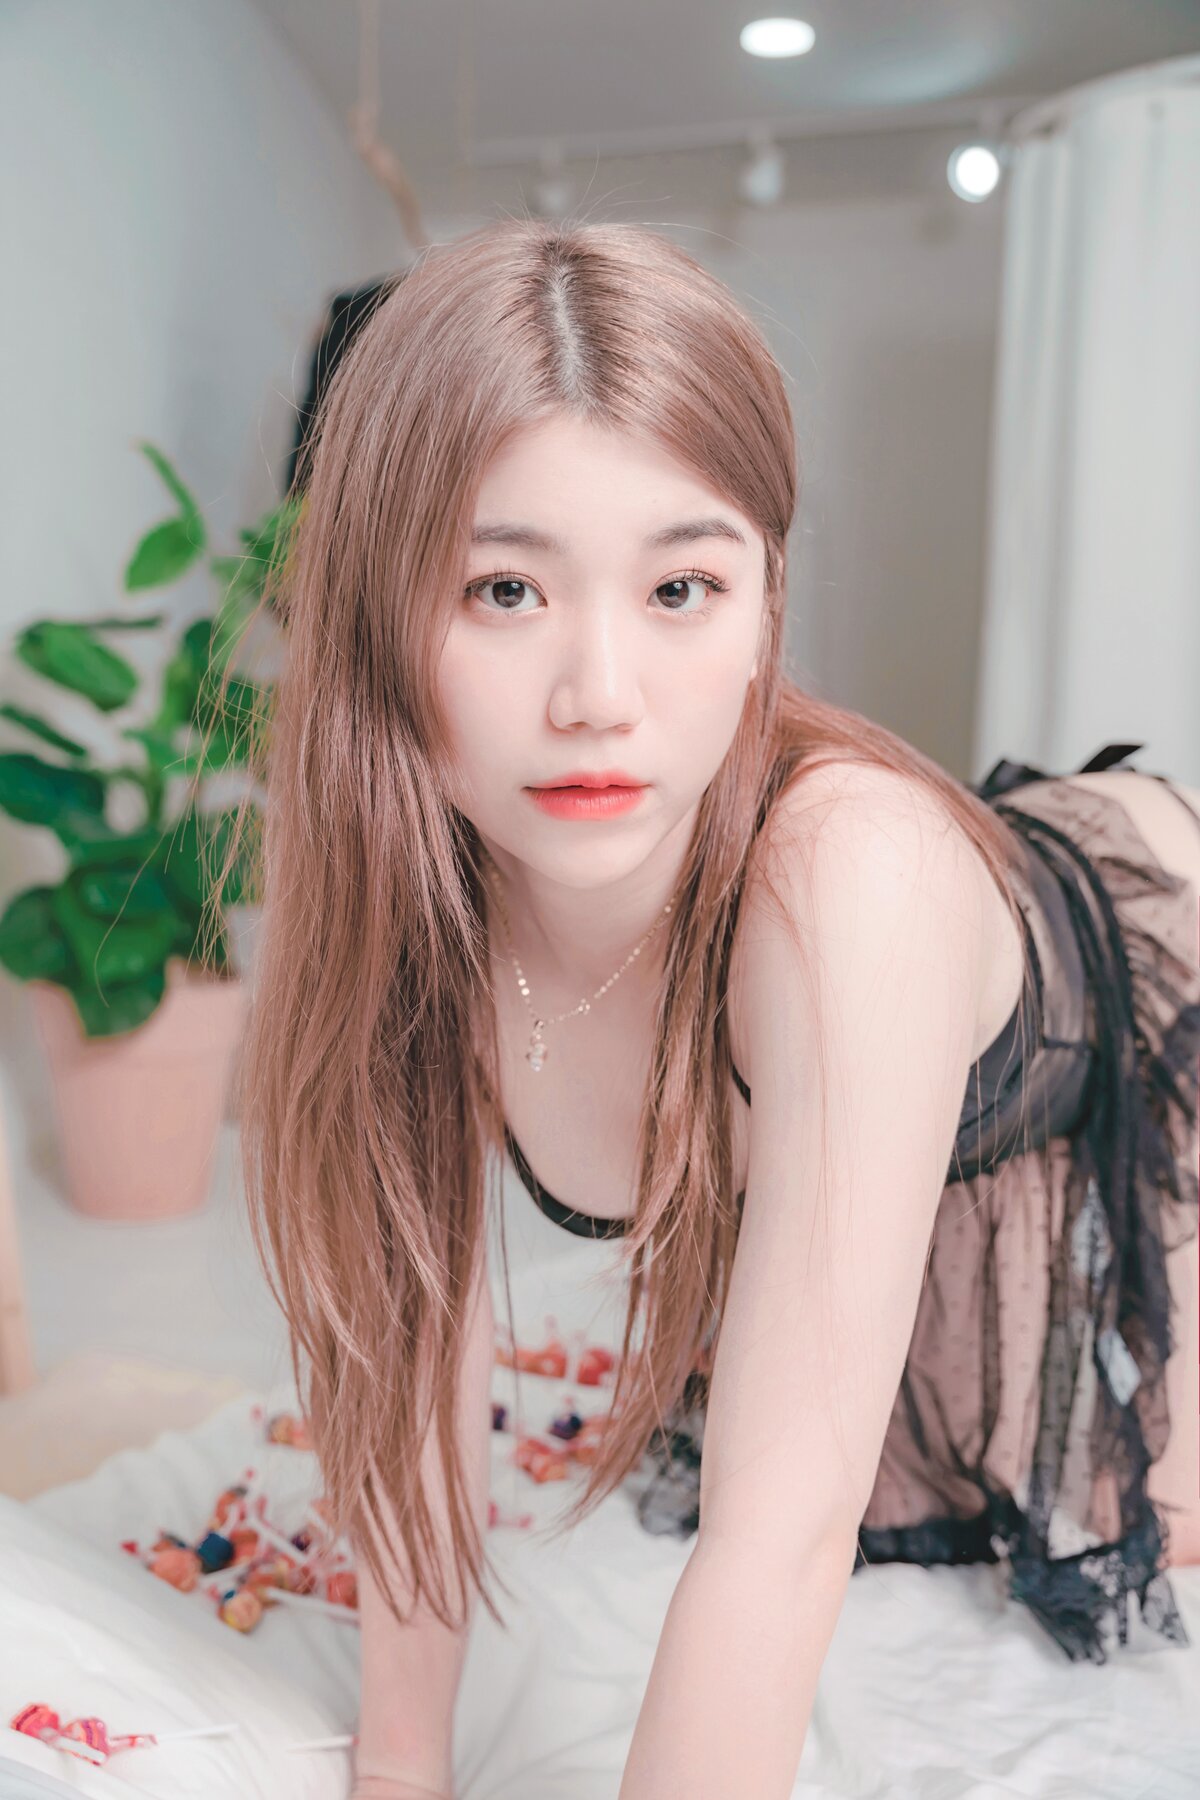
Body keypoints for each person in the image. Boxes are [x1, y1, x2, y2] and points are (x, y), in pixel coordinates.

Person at [217, 219, 1200, 1800]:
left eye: (682, 585)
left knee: (1156, 1512)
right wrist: (397, 1772)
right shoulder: (416, 882)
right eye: (502, 589)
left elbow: (779, 1531)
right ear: (376, 620)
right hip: (845, 1017)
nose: (599, 693)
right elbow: (406, 1368)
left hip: (1141, 981)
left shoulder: (850, 882)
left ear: (764, 608)